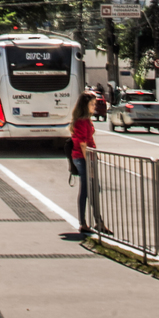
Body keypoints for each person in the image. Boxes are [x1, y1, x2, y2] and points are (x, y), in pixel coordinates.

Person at [68, 90, 107, 236]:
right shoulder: (81, 122)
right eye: (92, 104)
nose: (94, 106)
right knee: (86, 189)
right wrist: (89, 162)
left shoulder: (86, 120)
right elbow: (83, 144)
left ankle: (98, 221)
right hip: (83, 158)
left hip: (87, 158)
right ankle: (84, 223)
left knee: (93, 189)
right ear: (85, 105)